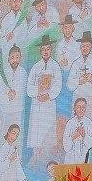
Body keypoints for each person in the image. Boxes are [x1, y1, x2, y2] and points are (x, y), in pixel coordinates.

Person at [27, 34, 62, 164]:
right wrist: (37, 93)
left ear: (51, 50)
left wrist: (48, 95)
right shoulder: (35, 67)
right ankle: (35, 157)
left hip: (48, 105)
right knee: (36, 131)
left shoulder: (55, 67)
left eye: (48, 49)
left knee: (47, 131)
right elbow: (29, 86)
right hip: (37, 104)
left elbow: (58, 84)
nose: (46, 51)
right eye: (43, 49)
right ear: (40, 51)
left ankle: (46, 161)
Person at [0, 45, 27, 137]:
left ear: (20, 59)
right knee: (3, 134)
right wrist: (7, 97)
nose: (15, 60)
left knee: (15, 136)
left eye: (17, 57)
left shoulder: (23, 73)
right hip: (5, 111)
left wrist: (16, 94)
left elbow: (25, 92)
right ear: (8, 59)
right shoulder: (4, 73)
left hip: (17, 111)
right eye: (12, 57)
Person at [68, 31, 92, 115]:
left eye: (87, 46)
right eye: (83, 46)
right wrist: (79, 81)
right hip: (78, 97)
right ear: (80, 47)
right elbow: (69, 85)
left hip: (91, 97)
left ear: (91, 47)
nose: (85, 48)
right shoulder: (76, 63)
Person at [62, 97, 92, 163]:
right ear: (74, 108)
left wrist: (84, 136)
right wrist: (73, 137)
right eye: (78, 107)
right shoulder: (70, 123)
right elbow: (66, 147)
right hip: (71, 159)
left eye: (83, 107)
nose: (81, 109)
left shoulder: (88, 122)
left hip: (84, 159)